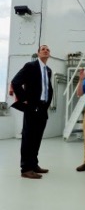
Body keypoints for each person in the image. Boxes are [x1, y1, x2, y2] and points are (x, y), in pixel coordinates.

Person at [11, 45, 53, 179]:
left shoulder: (48, 70)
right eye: (43, 49)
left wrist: (46, 104)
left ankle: (34, 164)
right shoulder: (30, 66)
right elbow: (16, 82)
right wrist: (24, 100)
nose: (46, 50)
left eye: (48, 49)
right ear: (38, 53)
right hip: (32, 107)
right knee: (28, 138)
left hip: (42, 108)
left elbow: (46, 89)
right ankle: (26, 168)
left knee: (37, 138)